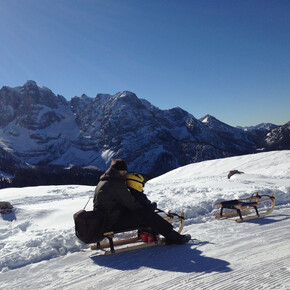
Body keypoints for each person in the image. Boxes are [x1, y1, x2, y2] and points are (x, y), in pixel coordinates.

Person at [93, 159, 191, 244]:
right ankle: (174, 237)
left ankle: (157, 232)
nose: (125, 175)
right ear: (121, 171)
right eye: (125, 172)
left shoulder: (105, 181)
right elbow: (132, 204)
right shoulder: (115, 183)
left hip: (104, 220)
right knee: (146, 214)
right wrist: (148, 208)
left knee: (142, 213)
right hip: (112, 222)